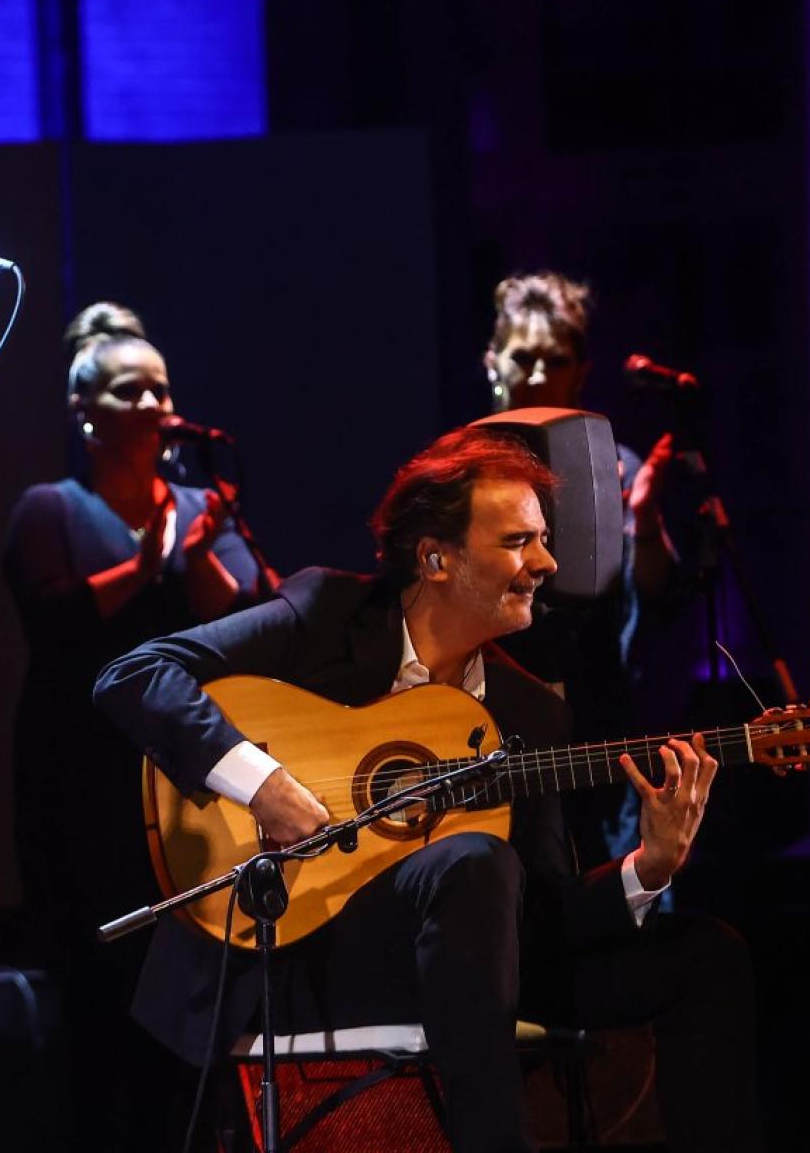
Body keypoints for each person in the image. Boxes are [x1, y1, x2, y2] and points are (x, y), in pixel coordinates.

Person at [94, 427, 761, 1152]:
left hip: (463, 961)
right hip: (296, 946)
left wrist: (647, 869)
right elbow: (133, 675)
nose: (546, 562)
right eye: (517, 542)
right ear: (435, 557)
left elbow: (539, 916)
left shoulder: (531, 709)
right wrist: (264, 785)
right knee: (474, 861)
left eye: (543, 539)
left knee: (707, 953)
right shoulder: (327, 615)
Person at [3, 302, 262, 1149]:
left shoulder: (198, 503)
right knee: (99, 1010)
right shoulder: (50, 508)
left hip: (184, 791)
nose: (156, 406)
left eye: (162, 390)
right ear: (86, 413)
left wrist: (192, 568)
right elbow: (54, 621)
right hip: (83, 794)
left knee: (190, 1020)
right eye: (131, 391)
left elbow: (250, 623)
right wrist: (144, 565)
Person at [484, 271, 682, 865]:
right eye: (524, 358)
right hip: (492, 728)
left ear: (582, 371)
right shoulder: (461, 472)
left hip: (601, 730)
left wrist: (644, 523)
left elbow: (652, 598)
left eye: (557, 359)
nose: (539, 375)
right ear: (494, 363)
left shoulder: (613, 468)